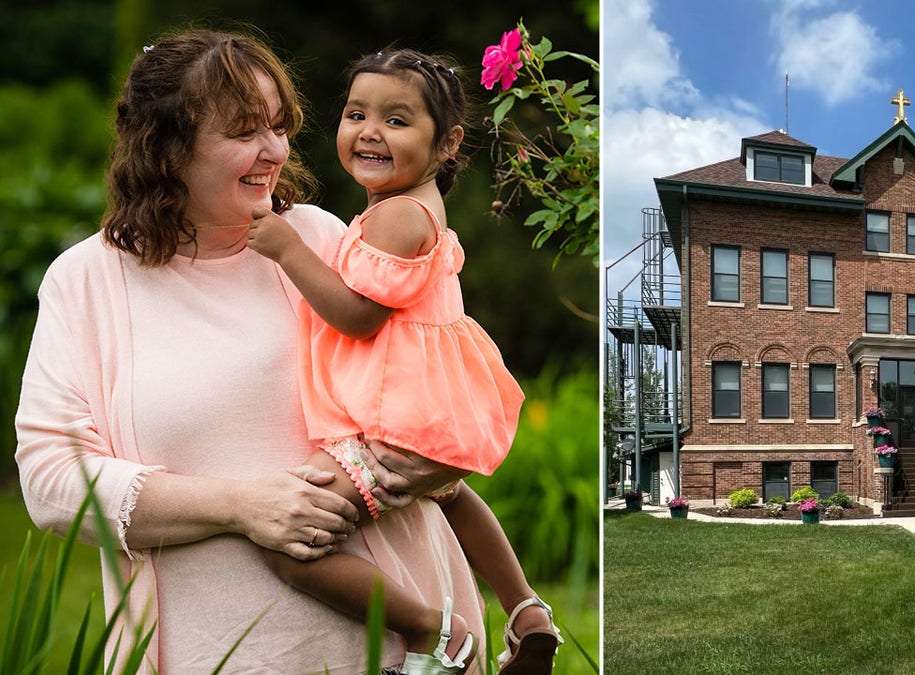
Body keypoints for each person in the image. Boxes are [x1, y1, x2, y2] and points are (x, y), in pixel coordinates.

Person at [14, 28, 477, 674]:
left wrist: (424, 462)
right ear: (167, 148)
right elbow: (50, 478)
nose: (274, 151)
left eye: (278, 126)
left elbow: (425, 377)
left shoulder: (318, 238)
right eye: (244, 132)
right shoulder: (86, 281)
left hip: (384, 654)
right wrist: (243, 506)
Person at [246, 48, 562, 674]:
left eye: (396, 120)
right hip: (431, 416)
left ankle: (433, 633)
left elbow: (360, 315)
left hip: (396, 424)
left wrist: (289, 250)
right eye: (356, 112)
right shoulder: (417, 211)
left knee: (291, 545)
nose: (369, 131)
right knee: (451, 496)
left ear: (447, 143)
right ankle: (525, 608)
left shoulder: (394, 217)